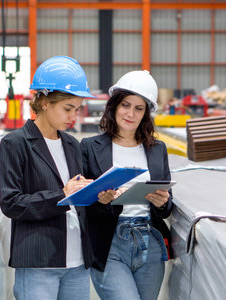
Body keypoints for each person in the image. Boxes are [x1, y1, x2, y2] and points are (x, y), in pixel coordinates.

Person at [0, 56, 95, 300]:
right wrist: (62, 194)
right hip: (39, 263)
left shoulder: (72, 144)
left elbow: (77, 197)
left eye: (77, 109)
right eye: (67, 108)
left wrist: (97, 194)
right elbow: (11, 203)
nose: (73, 116)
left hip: (77, 263)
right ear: (43, 103)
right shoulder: (15, 143)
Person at [81, 70, 174, 300]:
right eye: (125, 105)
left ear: (146, 113)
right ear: (114, 106)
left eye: (138, 108)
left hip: (149, 243)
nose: (130, 113)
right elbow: (82, 203)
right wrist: (101, 200)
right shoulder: (90, 147)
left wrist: (163, 202)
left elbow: (166, 206)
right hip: (109, 243)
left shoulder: (157, 149)